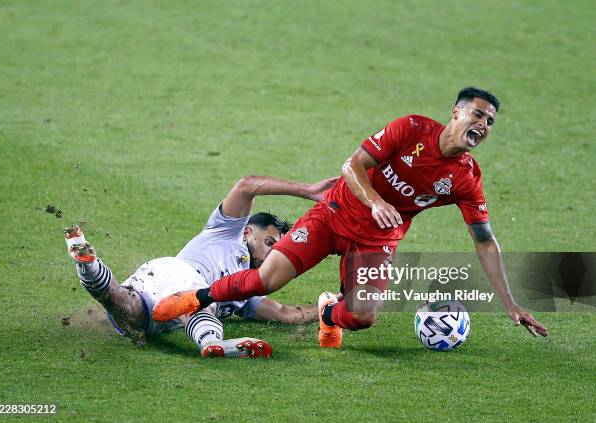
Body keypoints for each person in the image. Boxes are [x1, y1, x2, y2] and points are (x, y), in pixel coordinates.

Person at [153, 87, 549, 348]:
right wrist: (375, 200)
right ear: (456, 112)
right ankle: (193, 298)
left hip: (376, 242)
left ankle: (329, 311)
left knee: (363, 317)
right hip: (332, 215)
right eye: (478, 115)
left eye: (490, 122)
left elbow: (484, 241)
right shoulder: (410, 128)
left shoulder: (466, 179)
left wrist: (510, 302)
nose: (483, 125)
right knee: (266, 280)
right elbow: (352, 165)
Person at [63, 174, 337, 357]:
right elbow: (247, 185)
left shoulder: (249, 287)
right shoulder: (226, 231)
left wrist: (332, 310)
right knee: (201, 297)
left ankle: (88, 264)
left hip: (157, 298)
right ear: (248, 233)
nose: (272, 255)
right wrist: (307, 190)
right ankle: (211, 342)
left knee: (126, 310)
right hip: (178, 272)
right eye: (270, 243)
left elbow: (284, 313)